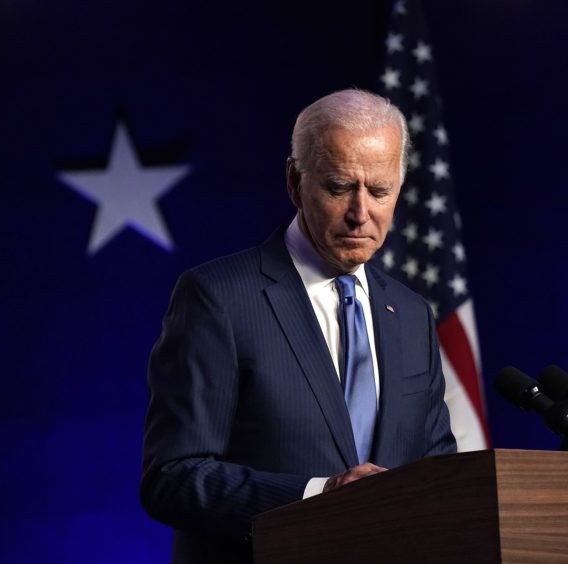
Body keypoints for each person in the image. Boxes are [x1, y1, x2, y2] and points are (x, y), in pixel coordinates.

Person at [140, 89, 457, 563]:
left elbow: (439, 475)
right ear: (294, 180)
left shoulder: (411, 314)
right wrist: (318, 494)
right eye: (338, 187)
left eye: (379, 191)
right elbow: (172, 477)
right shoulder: (218, 298)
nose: (360, 213)